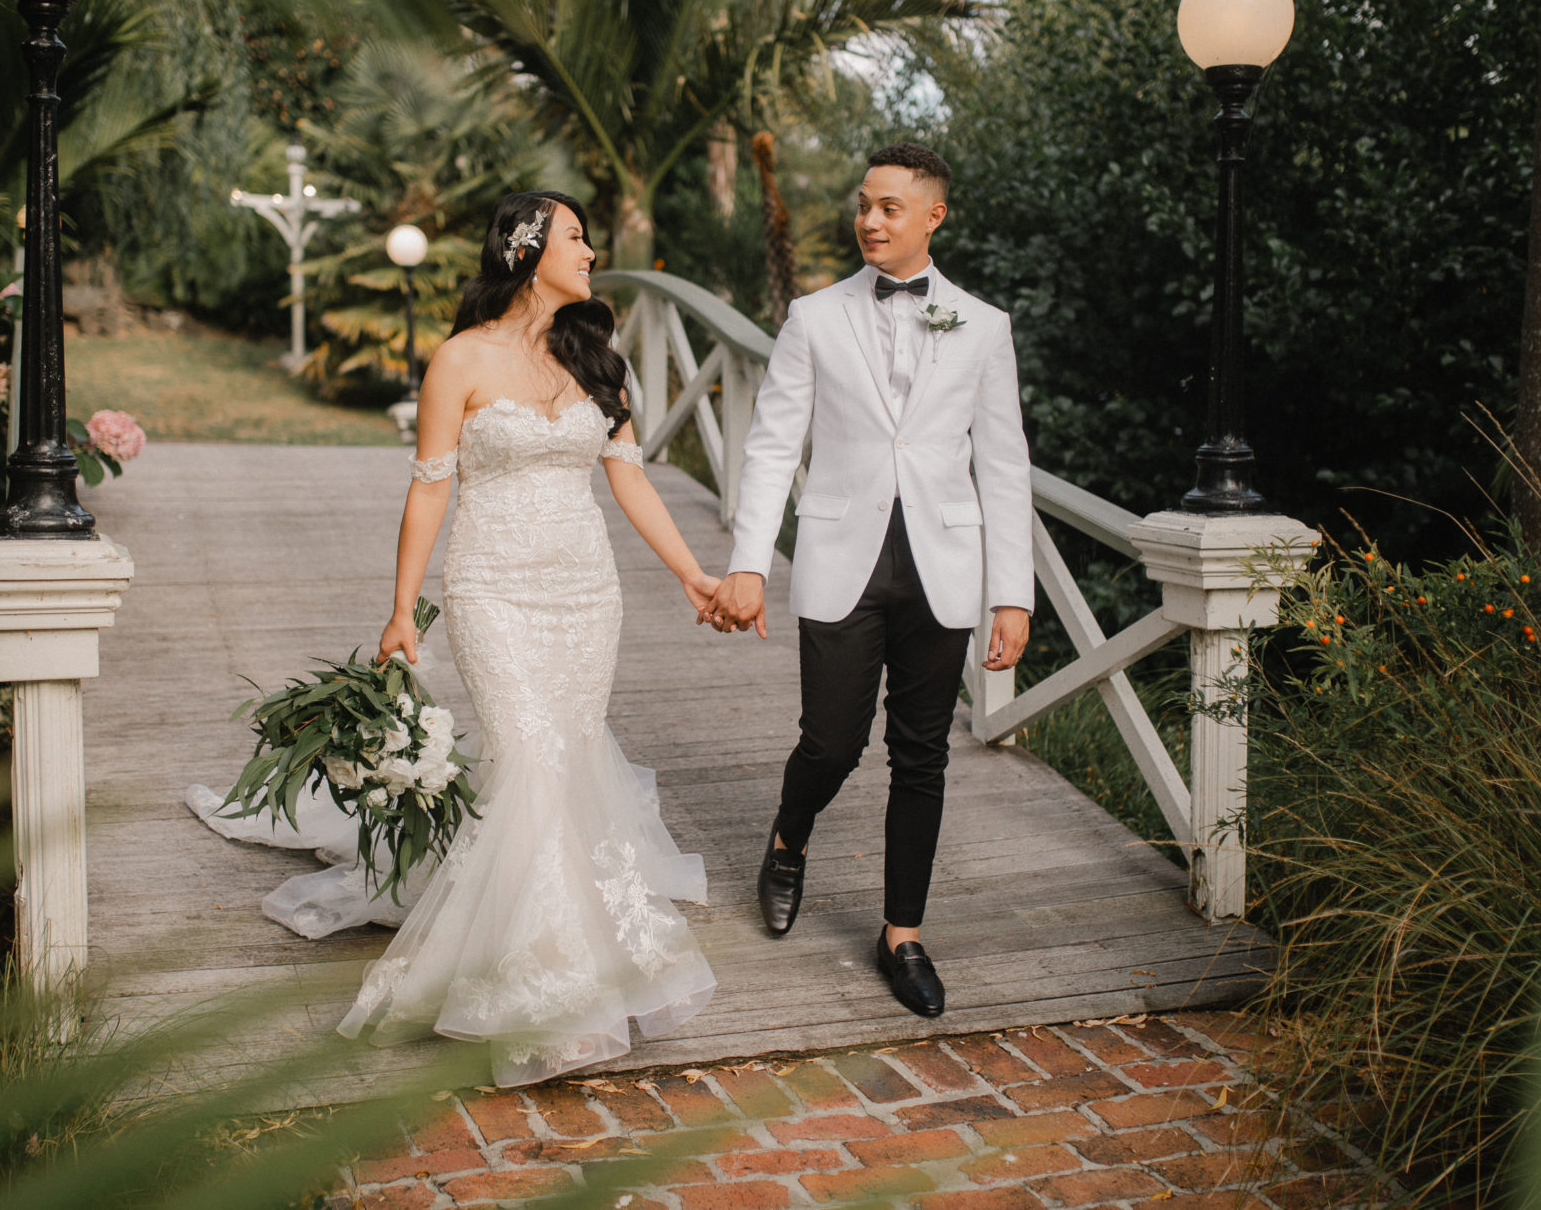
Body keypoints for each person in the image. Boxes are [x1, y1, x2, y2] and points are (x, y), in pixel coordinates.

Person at [340, 190, 721, 1085]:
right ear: (525, 248)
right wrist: (402, 608)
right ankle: (545, 994)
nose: (591, 251)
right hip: (491, 587)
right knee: (530, 757)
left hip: (587, 591)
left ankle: (573, 968)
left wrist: (692, 574)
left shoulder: (599, 360)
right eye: (577, 237)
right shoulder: (460, 360)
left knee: (570, 759)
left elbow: (629, 482)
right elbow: (431, 486)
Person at [708, 143, 1035, 1018]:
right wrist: (747, 561)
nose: (870, 220)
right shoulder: (814, 318)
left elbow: (1003, 463)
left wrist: (1014, 592)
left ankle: (903, 933)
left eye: (890, 207)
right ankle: (789, 832)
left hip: (945, 565)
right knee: (832, 741)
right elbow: (774, 444)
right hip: (841, 556)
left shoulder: (983, 324)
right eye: (863, 204)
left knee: (921, 753)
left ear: (934, 216)